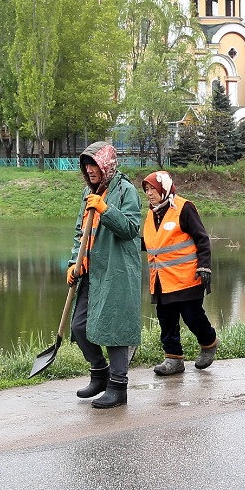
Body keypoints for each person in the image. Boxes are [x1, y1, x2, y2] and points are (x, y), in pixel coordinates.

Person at [66, 142, 143, 409]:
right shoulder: (88, 193)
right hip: (92, 271)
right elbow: (80, 232)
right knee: (79, 326)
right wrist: (73, 262)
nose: (90, 170)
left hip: (117, 270)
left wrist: (105, 209)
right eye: (86, 165)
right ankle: (99, 373)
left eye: (94, 164)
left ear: (107, 164)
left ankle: (118, 387)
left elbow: (132, 228)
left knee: (114, 328)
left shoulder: (126, 191)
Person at [141, 170, 219, 375]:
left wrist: (204, 266)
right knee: (166, 321)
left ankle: (209, 343)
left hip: (187, 278)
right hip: (161, 280)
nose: (149, 194)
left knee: (192, 316)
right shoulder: (151, 213)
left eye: (153, 189)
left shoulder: (184, 208)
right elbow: (152, 243)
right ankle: (173, 359)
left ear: (164, 188)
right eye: (147, 190)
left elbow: (202, 239)